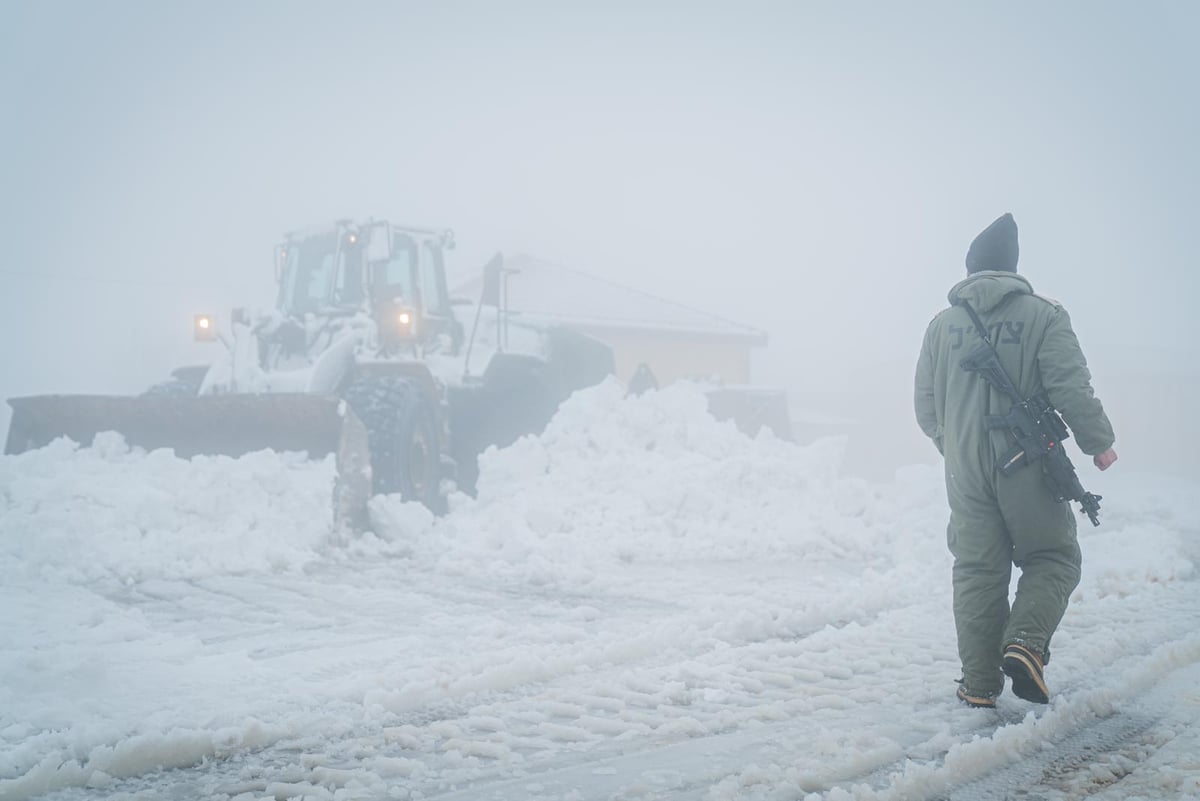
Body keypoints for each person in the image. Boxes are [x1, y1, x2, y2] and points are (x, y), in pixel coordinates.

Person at [914, 213, 1117, 708]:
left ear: (971, 269)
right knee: (1053, 557)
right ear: (1012, 267)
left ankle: (979, 685)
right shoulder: (1044, 315)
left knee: (978, 570)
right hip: (1027, 462)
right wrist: (1098, 442)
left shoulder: (941, 326)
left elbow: (925, 406)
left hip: (964, 471)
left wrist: (957, 446)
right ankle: (1025, 644)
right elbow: (1071, 386)